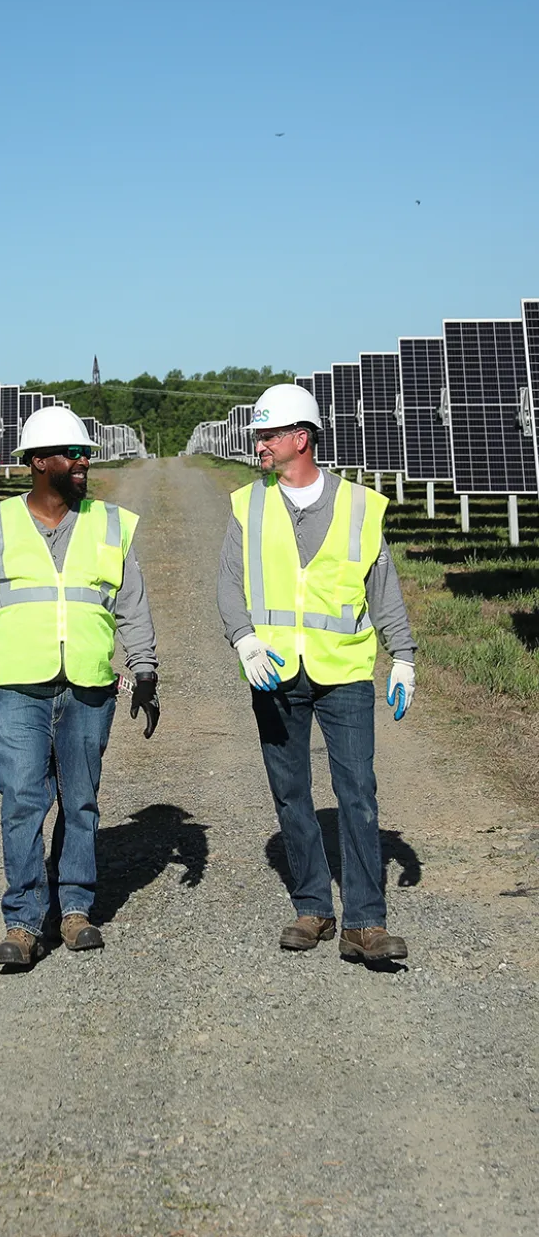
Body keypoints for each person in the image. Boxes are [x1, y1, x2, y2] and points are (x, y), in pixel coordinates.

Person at [0, 405, 159, 968]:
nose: (83, 463)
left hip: (90, 685)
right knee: (22, 797)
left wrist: (144, 670)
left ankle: (75, 908)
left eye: (85, 454)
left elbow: (132, 604)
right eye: (73, 454)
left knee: (81, 798)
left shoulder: (111, 523)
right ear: (40, 462)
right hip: (18, 686)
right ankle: (22, 922)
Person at [216, 384, 415, 962]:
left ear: (300, 439)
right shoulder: (247, 506)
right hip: (273, 672)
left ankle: (364, 922)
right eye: (259, 434)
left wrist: (402, 656)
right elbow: (229, 583)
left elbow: (384, 589)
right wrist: (245, 639)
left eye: (269, 434)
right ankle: (312, 908)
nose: (260, 444)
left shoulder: (360, 505)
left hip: (345, 671)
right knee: (291, 790)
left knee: (357, 791)